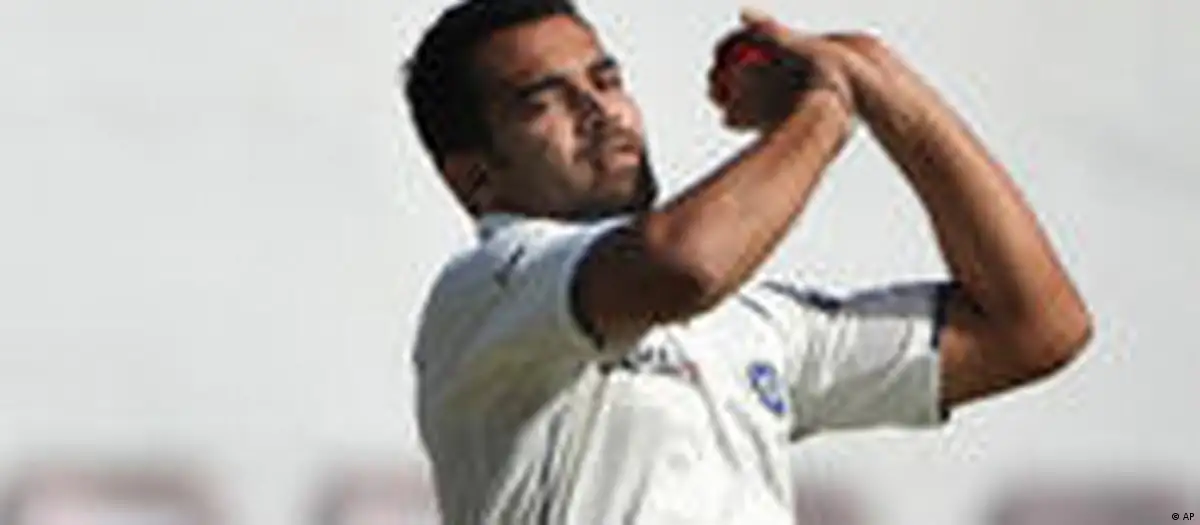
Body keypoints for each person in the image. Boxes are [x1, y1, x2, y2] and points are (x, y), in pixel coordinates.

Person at [402, 1, 1093, 523]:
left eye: (606, 80)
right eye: (543, 102)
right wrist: (829, 104)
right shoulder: (487, 288)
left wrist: (883, 81)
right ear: (476, 177)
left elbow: (1036, 328)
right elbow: (686, 266)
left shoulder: (754, 322)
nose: (599, 111)